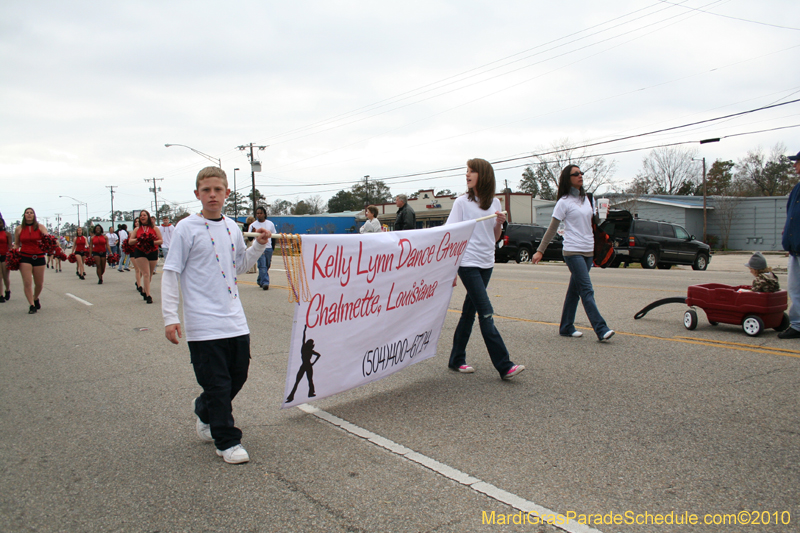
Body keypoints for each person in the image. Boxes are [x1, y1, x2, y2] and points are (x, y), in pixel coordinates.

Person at [162, 166, 271, 464]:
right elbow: (171, 273)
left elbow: (238, 267)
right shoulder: (186, 228)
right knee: (218, 384)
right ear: (197, 194)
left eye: (218, 190)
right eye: (206, 190)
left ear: (226, 193)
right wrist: (170, 317)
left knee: (238, 376)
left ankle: (204, 409)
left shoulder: (232, 228)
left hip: (234, 319)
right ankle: (227, 441)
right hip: (203, 323)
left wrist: (258, 246)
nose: (212, 195)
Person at [446, 159, 525, 380]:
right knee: (486, 312)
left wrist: (500, 222)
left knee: (469, 313)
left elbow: (495, 237)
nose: (467, 175)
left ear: (484, 175)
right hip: (468, 263)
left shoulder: (495, 203)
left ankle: (456, 359)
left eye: (471, 171)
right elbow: (450, 234)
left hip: (486, 262)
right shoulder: (462, 202)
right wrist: (451, 271)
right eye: (466, 171)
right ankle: (504, 365)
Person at [532, 165, 615, 341]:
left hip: (588, 251)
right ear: (567, 178)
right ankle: (601, 328)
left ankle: (566, 326)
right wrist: (540, 251)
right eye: (575, 174)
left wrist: (602, 215)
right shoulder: (563, 202)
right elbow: (552, 228)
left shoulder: (587, 199)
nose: (580, 176)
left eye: (581, 173)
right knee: (586, 289)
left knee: (574, 291)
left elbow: (592, 222)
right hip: (572, 251)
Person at [779, 150, 800, 339]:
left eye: (797, 162)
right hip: (795, 250)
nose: (795, 165)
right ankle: (797, 325)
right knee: (795, 289)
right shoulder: (797, 189)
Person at [14, 208, 49, 314]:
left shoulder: (40, 227)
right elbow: (16, 244)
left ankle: (35, 297)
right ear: (24, 215)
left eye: (31, 213)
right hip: (25, 257)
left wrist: (53, 243)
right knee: (27, 282)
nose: (29, 214)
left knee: (39, 284)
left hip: (39, 257)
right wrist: (13, 252)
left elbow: (47, 238)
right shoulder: (19, 229)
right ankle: (31, 305)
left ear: (34, 215)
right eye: (27, 213)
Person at [129, 211, 162, 304]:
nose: (142, 217)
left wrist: (152, 242)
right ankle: (148, 295)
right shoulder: (137, 229)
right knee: (146, 274)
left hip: (152, 251)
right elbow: (130, 241)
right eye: (141, 216)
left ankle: (144, 290)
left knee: (150, 274)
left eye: (144, 215)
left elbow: (160, 241)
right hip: (140, 252)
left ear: (148, 217)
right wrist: (138, 239)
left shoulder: (154, 228)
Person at [248, 206, 276, 290]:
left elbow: (274, 236)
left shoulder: (270, 223)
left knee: (267, 265)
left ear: (264, 214)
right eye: (257, 213)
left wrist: (273, 248)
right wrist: (252, 233)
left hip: (268, 248)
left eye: (260, 213)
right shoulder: (253, 225)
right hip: (259, 248)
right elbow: (250, 239)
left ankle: (260, 279)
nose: (259, 215)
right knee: (262, 266)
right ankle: (265, 283)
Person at [0, 215, 10, 303]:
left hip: (5, 256)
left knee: (5, 276)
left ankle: (7, 290)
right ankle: (1, 295)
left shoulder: (7, 234)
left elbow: (10, 246)